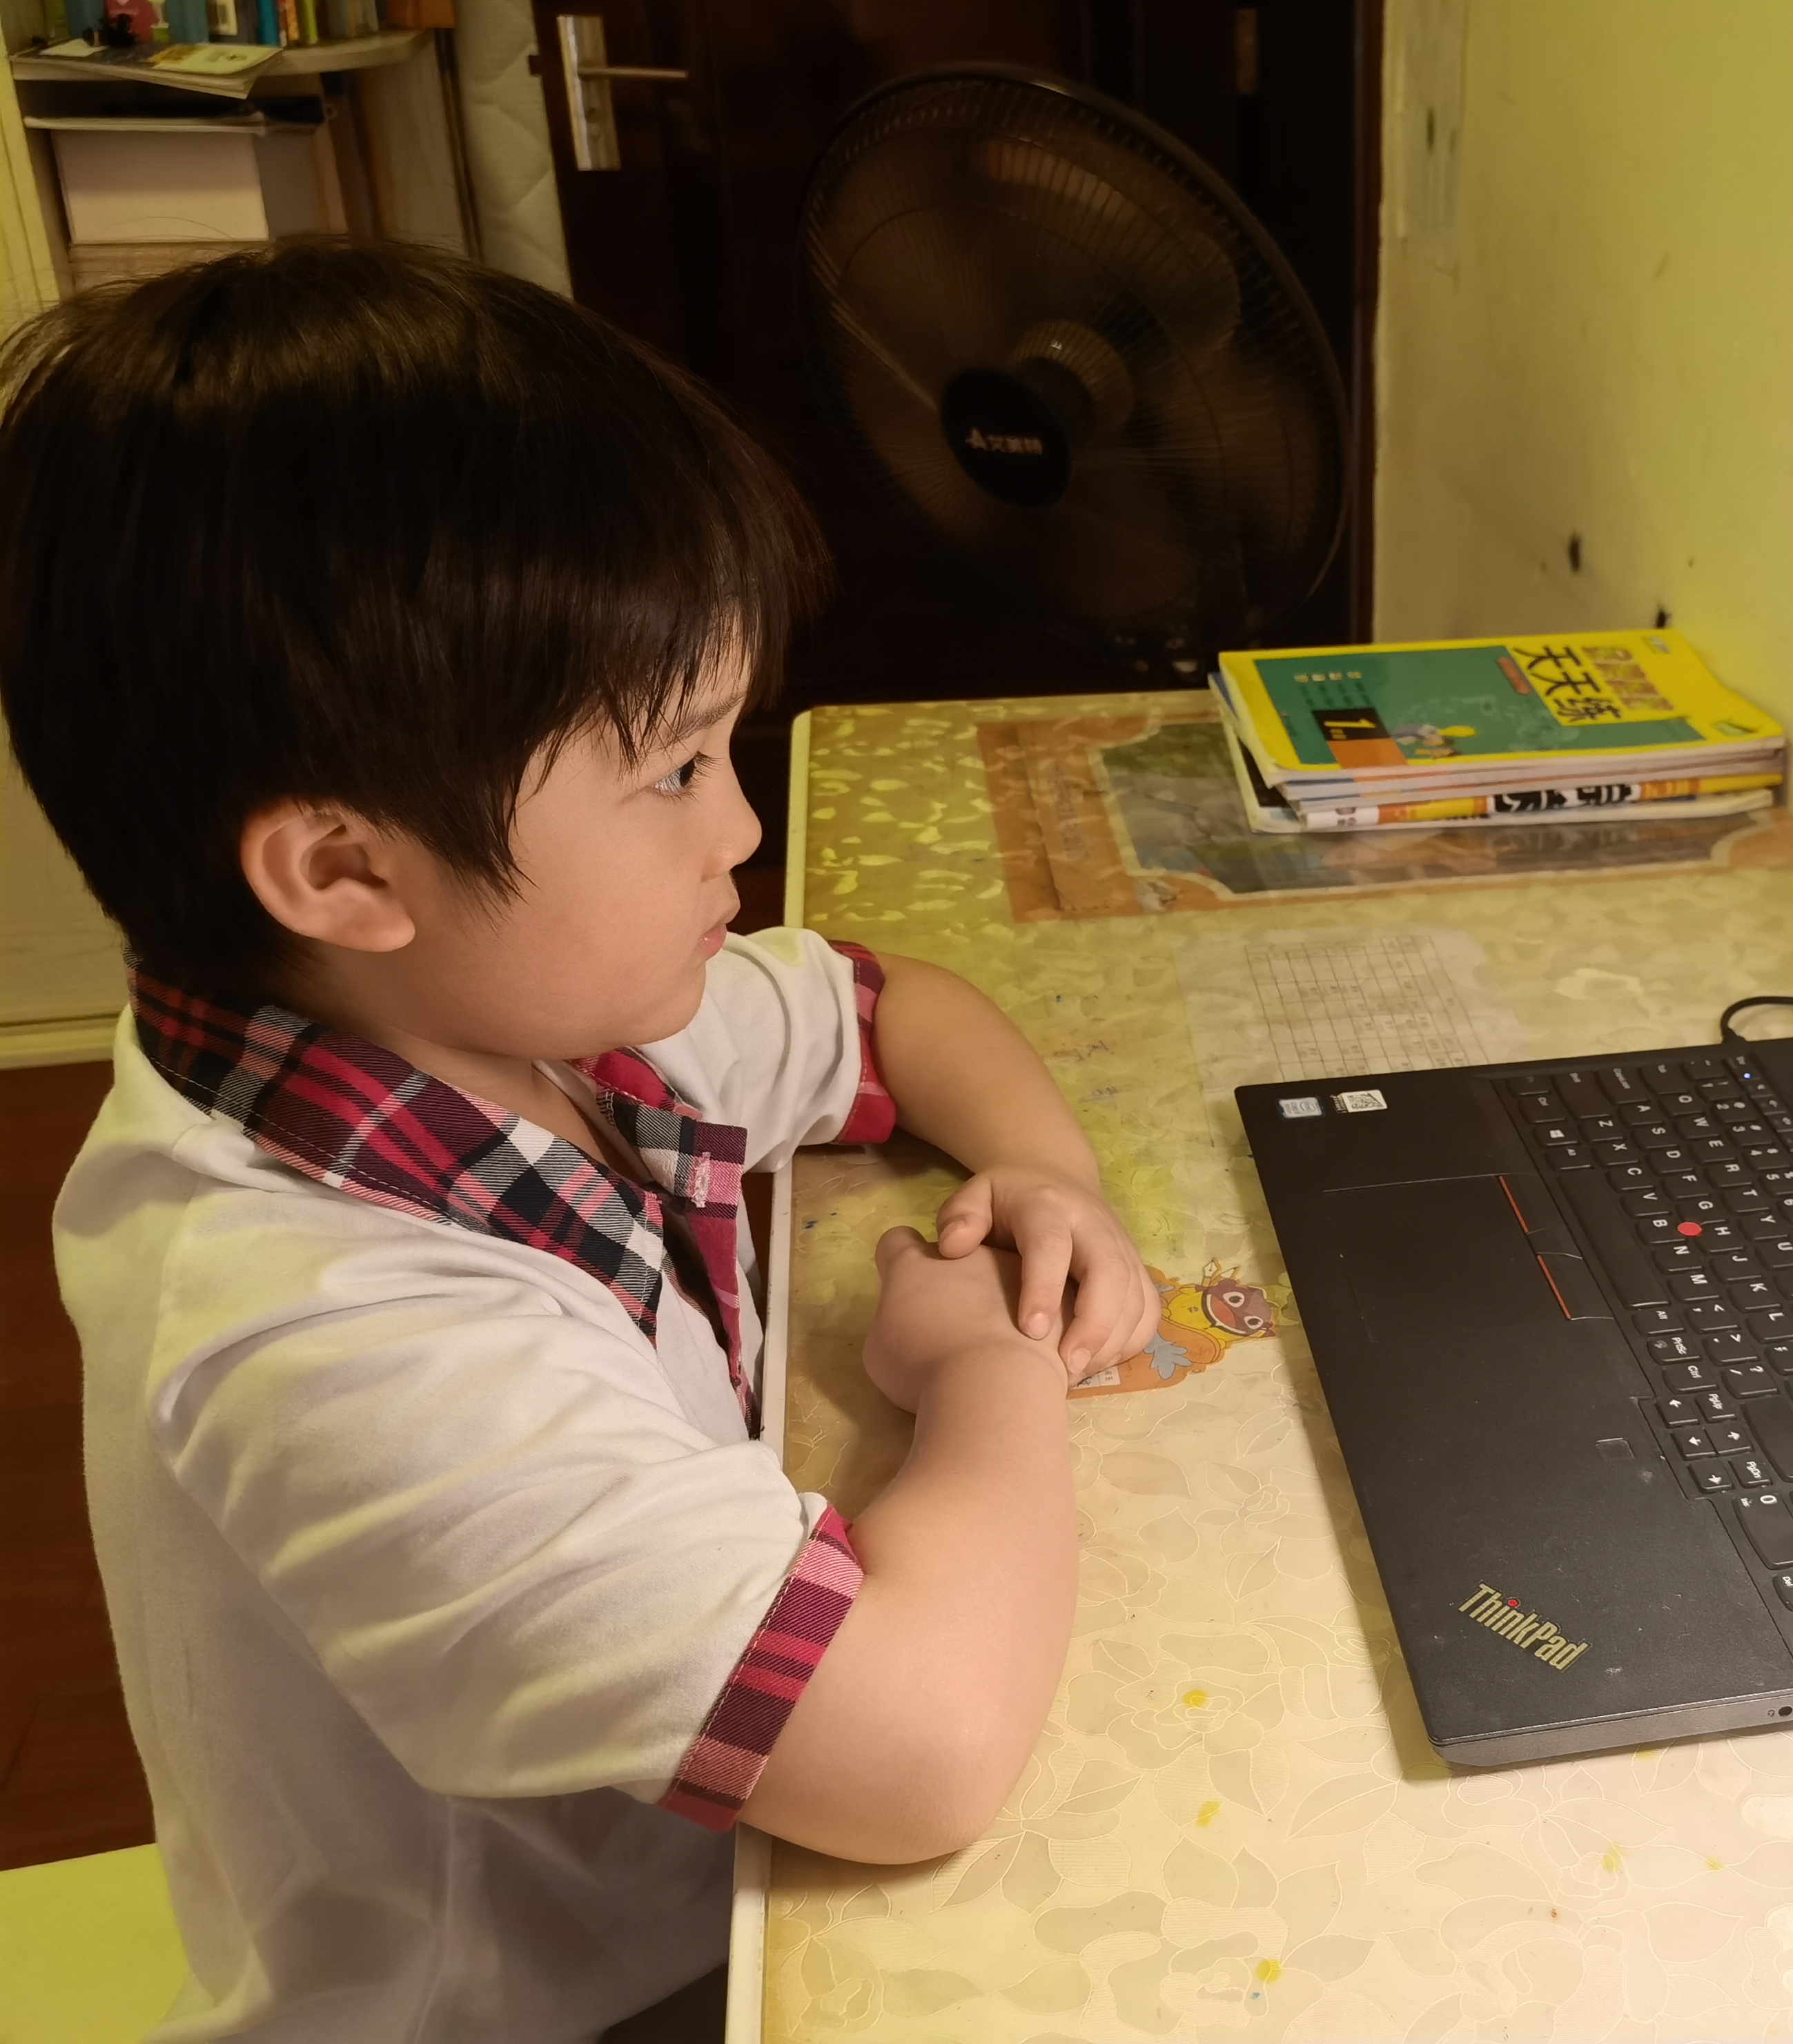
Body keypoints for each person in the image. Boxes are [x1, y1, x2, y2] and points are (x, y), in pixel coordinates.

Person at [0, 244, 1164, 2041]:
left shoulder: (498, 1006)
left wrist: (1049, 1178)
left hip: (702, 1892)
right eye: (674, 768)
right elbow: (925, 1745)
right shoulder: (331, 1340)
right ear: (347, 869)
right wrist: (981, 1372)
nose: (741, 830)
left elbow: (895, 1011)